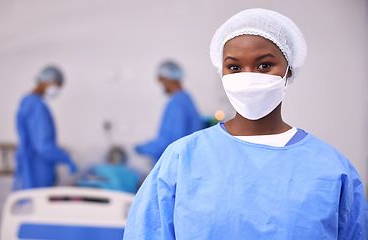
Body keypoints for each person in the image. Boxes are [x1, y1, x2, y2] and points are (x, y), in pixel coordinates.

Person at [124, 9, 368, 239]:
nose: (248, 75)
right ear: (222, 72)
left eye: (264, 65)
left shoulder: (332, 170)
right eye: (234, 67)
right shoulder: (181, 158)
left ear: (289, 70)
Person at [14, 65, 77, 191]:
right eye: (57, 85)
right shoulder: (37, 106)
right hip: (39, 169)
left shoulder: (27, 101)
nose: (57, 89)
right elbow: (43, 147)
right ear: (48, 82)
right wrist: (66, 158)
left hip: (30, 166)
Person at [135, 60, 203, 164]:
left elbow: (171, 141)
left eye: (161, 80)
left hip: (175, 166)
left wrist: (142, 148)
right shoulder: (187, 99)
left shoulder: (177, 103)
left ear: (167, 79)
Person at [77, 146, 143, 193]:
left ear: (108, 157)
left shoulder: (96, 168)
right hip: (123, 205)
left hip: (97, 201)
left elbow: (81, 182)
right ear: (124, 158)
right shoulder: (133, 174)